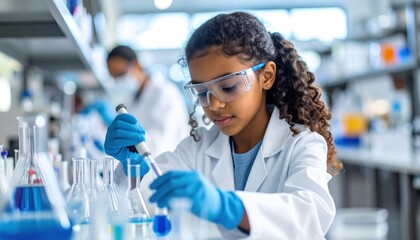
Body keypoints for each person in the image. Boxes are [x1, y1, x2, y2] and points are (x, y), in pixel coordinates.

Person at [105, 12, 343, 239]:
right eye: (201, 92)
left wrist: (225, 206)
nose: (214, 104)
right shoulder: (196, 150)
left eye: (229, 87)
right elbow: (144, 202)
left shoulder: (302, 144)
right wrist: (133, 168)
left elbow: (310, 214)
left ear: (266, 76)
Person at [83, 45, 190, 158]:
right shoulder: (132, 99)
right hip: (145, 167)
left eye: (120, 74)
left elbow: (158, 146)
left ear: (137, 65)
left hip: (166, 167)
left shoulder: (165, 94)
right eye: (114, 77)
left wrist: (127, 138)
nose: (118, 81)